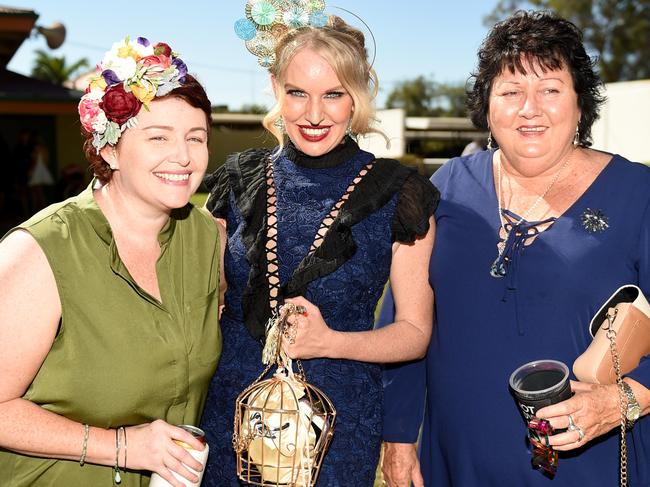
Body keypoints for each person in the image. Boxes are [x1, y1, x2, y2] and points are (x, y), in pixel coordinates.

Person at [379, 10, 650, 487]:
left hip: (592, 465)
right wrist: (399, 440)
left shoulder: (637, 193)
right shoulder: (446, 188)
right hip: (456, 462)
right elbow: (405, 318)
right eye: (510, 91)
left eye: (550, 89)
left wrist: (622, 401)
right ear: (486, 107)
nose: (530, 108)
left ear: (580, 104)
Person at [201, 10, 438, 487]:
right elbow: (210, 297)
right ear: (274, 88)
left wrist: (332, 342)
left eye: (334, 94)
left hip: (338, 426)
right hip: (231, 414)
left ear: (359, 93)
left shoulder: (399, 193)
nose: (314, 114)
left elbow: (414, 332)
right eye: (297, 93)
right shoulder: (236, 181)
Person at [0, 36, 224, 487]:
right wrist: (122, 446)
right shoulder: (40, 251)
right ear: (109, 149)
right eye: (158, 136)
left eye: (195, 138)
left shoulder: (207, 239)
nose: (182, 156)